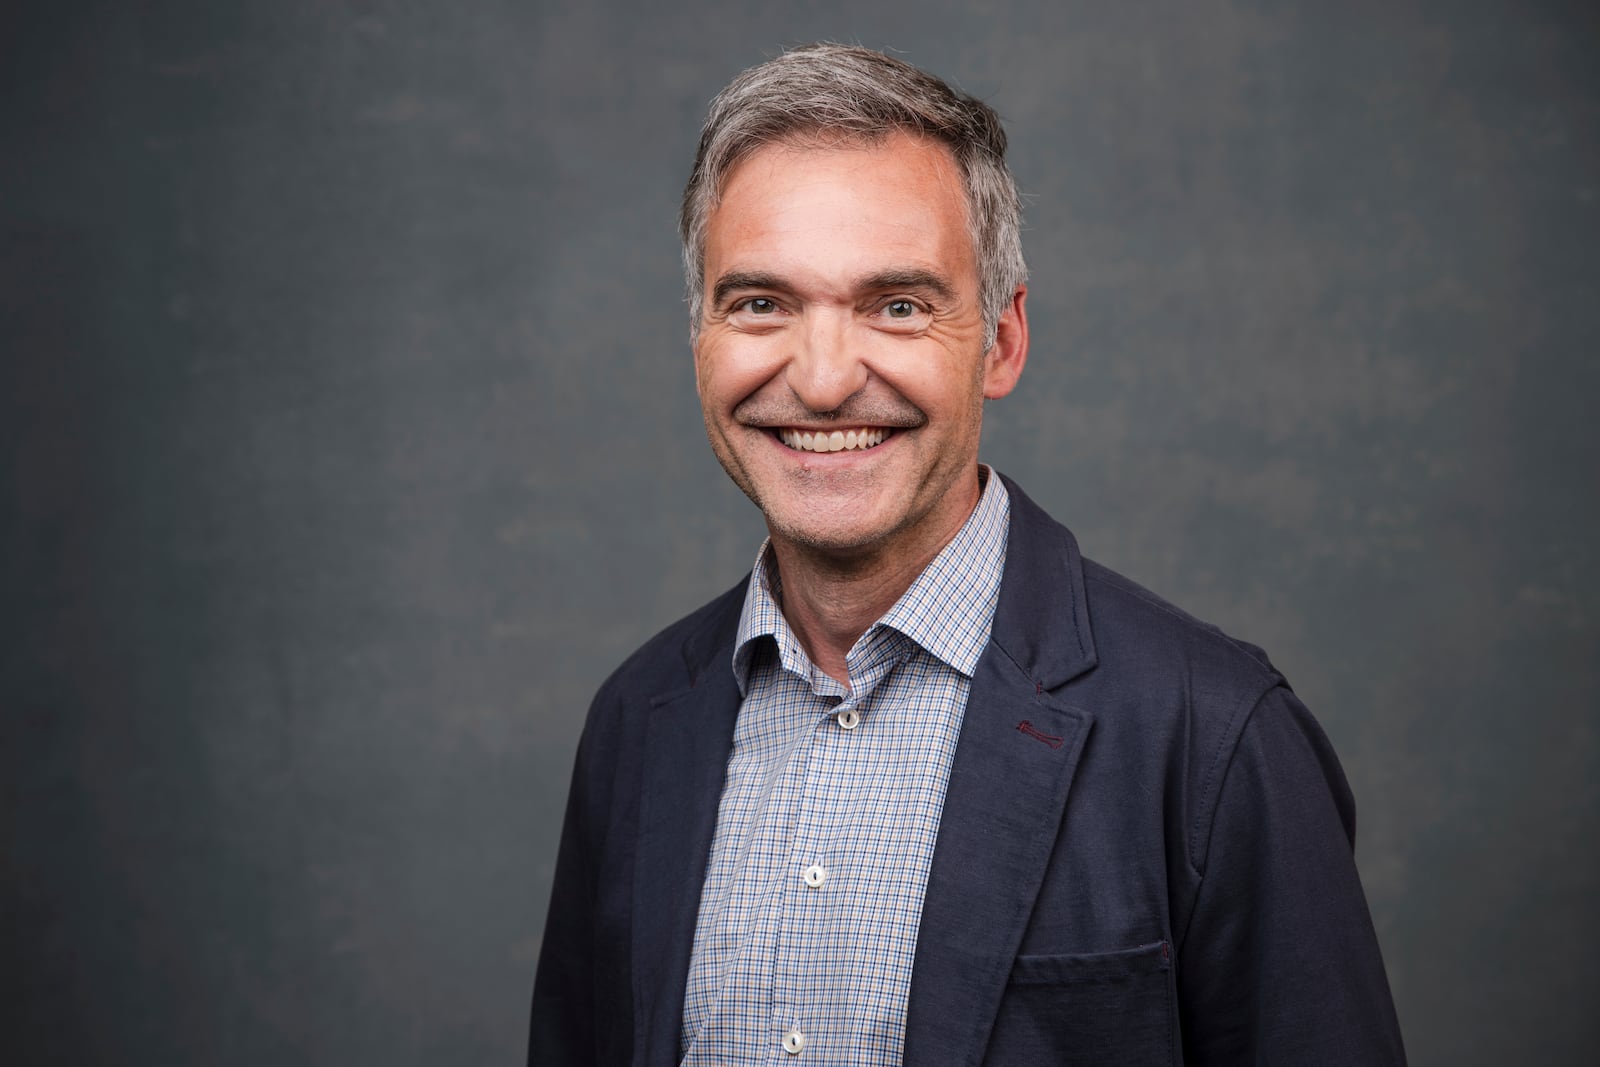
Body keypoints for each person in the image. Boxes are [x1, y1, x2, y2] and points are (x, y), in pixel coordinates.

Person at [529, 43, 1406, 1066]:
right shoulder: (637, 723)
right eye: (760, 302)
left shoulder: (1212, 735)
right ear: (700, 338)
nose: (819, 380)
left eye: (896, 304)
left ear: (998, 341)